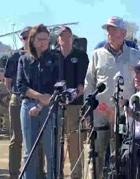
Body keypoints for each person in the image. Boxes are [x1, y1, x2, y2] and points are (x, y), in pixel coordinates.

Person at [84, 16, 140, 178]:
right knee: (96, 155)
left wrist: (136, 110)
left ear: (123, 33)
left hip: (124, 115)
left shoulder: (136, 56)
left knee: (121, 157)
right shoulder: (96, 55)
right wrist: (89, 110)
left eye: (114, 30)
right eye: (108, 30)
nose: (110, 33)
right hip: (100, 112)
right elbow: (89, 84)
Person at [17, 24, 60, 179]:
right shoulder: (23, 60)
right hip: (28, 106)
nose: (44, 42)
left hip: (49, 107)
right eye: (40, 39)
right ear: (32, 40)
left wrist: (42, 104)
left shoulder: (55, 58)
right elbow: (20, 86)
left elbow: (58, 84)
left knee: (51, 152)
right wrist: (38, 97)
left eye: (46, 39)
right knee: (30, 152)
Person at [55, 25, 89, 179]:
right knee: (56, 142)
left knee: (75, 143)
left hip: (75, 105)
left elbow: (83, 84)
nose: (65, 39)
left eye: (68, 36)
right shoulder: (53, 56)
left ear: (72, 38)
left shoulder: (81, 56)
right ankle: (56, 173)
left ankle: (76, 175)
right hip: (55, 106)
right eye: (62, 36)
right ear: (58, 39)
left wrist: (73, 95)